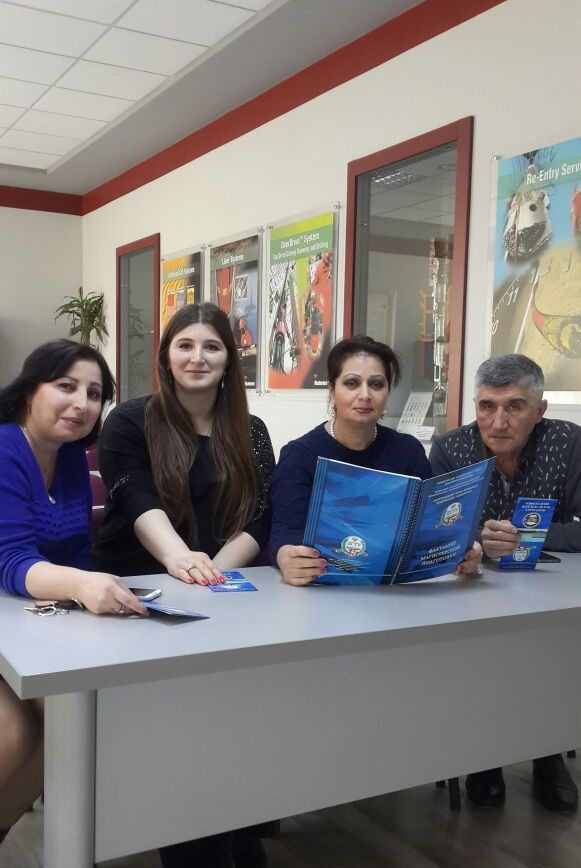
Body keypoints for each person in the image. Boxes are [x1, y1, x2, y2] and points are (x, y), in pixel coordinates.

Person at [94, 303, 275, 868]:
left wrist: (213, 573)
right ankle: (190, 839)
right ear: (167, 357)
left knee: (237, 716)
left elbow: (261, 513)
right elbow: (134, 497)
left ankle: (237, 823)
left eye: (212, 347)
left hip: (221, 588)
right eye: (186, 345)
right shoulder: (129, 421)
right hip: (140, 592)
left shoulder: (250, 429)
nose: (198, 357)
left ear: (229, 360)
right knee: (177, 726)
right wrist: (179, 560)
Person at [0, 340, 147, 848]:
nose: (81, 403)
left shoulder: (69, 459)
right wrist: (81, 585)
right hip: (9, 623)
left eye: (94, 393)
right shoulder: (4, 449)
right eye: (66, 386)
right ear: (29, 390)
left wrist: (86, 591)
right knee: (16, 734)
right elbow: (11, 560)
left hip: (29, 624)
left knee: (67, 726)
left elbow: (79, 551)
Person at [430, 353, 581, 811]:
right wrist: (480, 538)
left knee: (550, 653)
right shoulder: (450, 448)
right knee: (480, 655)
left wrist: (525, 539)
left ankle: (547, 753)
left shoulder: (570, 443)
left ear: (540, 410)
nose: (498, 421)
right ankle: (485, 757)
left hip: (551, 589)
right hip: (473, 589)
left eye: (514, 406)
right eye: (487, 406)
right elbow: (436, 527)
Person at [270, 335, 482, 585]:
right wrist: (286, 557)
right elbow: (284, 533)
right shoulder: (299, 455)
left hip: (397, 592)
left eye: (376, 384)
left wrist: (465, 550)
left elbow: (432, 526)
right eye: (351, 383)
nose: (365, 394)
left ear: (388, 392)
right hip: (322, 588)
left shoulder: (407, 451)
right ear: (332, 390)